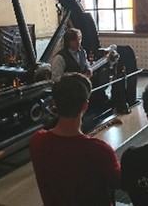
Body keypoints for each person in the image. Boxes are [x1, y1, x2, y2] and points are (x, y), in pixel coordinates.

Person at [29, 73, 120, 206]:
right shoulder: (101, 151)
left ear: (54, 103)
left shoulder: (37, 141)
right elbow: (119, 182)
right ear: (85, 105)